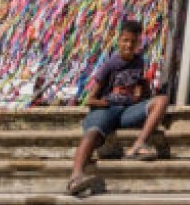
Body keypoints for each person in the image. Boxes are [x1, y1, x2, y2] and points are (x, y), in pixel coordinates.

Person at [66, 19, 170, 198]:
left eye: (133, 41)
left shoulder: (139, 62)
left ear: (139, 42)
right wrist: (105, 103)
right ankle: (76, 175)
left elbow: (142, 94)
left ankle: (138, 145)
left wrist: (143, 88)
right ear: (119, 40)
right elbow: (89, 100)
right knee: (93, 132)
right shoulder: (110, 65)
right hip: (106, 110)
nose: (129, 45)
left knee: (161, 100)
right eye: (125, 41)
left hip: (126, 111)